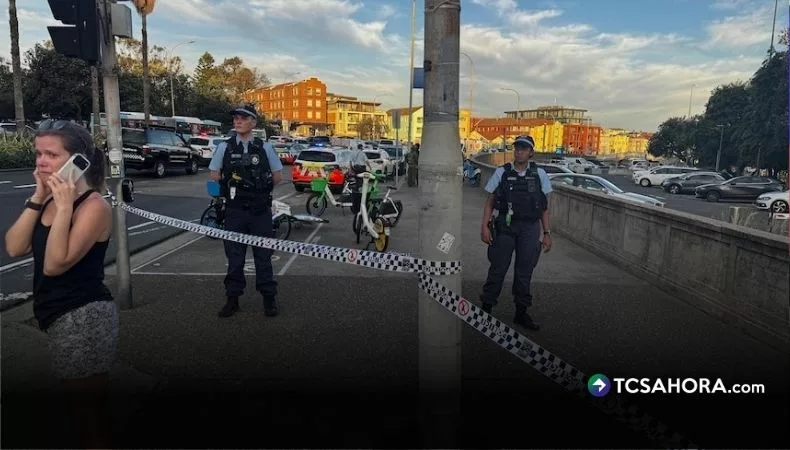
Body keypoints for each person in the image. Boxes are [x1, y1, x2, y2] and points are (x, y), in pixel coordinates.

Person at [4, 119, 116, 448]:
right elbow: (14, 247)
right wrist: (40, 196)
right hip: (56, 317)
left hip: (84, 317)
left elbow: (54, 264)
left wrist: (65, 205)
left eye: (51, 155)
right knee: (80, 411)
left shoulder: (94, 207)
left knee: (88, 416)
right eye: (38, 153)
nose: (41, 161)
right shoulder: (48, 200)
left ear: (76, 161)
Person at [209, 104, 283, 318]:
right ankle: (232, 299)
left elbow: (277, 176)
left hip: (260, 212)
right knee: (234, 257)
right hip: (235, 211)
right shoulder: (225, 147)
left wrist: (258, 188)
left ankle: (269, 299)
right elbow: (215, 174)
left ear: (253, 122)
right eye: (235, 118)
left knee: (263, 256)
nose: (238, 121)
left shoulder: (265, 148)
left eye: (243, 117)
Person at [478, 135, 553, 331]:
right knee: (498, 268)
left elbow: (544, 208)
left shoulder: (540, 175)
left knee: (524, 272)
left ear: (531, 152)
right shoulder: (502, 172)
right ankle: (485, 309)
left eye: (524, 148)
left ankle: (521, 313)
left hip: (529, 228)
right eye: (517, 148)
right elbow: (490, 202)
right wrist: (484, 226)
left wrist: (547, 233)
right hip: (505, 226)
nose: (519, 151)